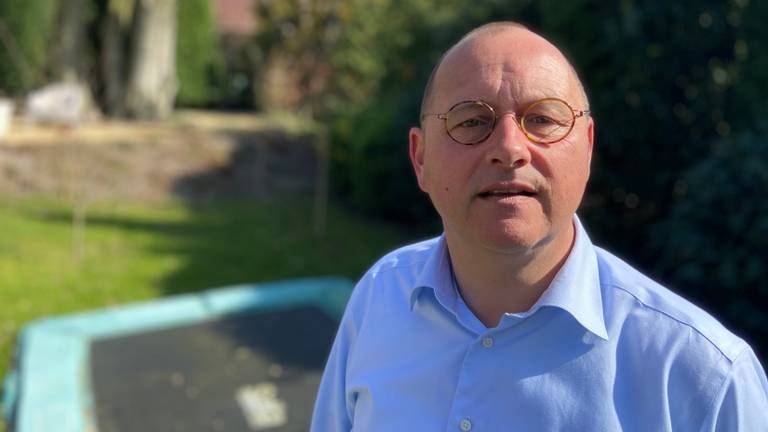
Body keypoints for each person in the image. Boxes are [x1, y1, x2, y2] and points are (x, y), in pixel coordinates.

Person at [311, 22, 768, 431]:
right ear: (421, 157)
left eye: (543, 120)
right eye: (471, 121)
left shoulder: (705, 379)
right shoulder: (379, 296)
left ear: (587, 149)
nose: (510, 149)